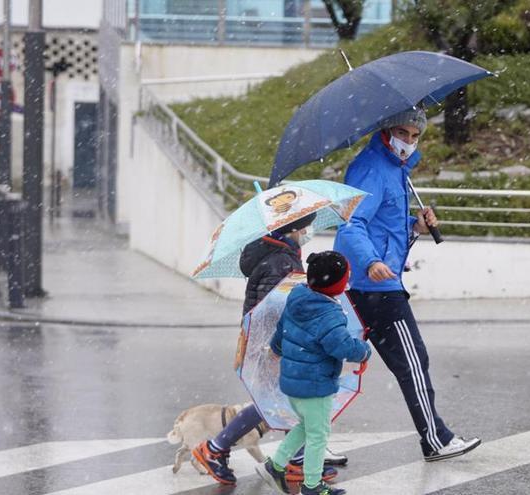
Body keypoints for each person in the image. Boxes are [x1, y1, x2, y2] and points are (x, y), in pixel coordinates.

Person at [333, 108, 481, 461]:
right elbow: (352, 226)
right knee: (413, 362)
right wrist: (371, 262)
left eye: (416, 136)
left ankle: (302, 449)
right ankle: (436, 439)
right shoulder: (373, 167)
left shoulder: (393, 169)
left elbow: (385, 231)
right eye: (403, 133)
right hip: (375, 288)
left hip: (368, 283)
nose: (409, 142)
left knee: (326, 367)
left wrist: (416, 228)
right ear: (386, 130)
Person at [192, 212, 346, 486]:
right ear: (296, 229)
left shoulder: (279, 253)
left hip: (271, 340)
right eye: (306, 226)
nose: (308, 231)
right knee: (284, 399)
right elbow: (273, 308)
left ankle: (219, 448)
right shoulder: (281, 261)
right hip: (272, 342)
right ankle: (221, 449)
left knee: (275, 399)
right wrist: (282, 344)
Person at [258, 250, 371, 495]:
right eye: (346, 277)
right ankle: (312, 485)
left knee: (305, 426)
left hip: (293, 382)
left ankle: (275, 465)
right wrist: (363, 352)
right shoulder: (328, 313)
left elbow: (281, 331)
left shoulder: (298, 296)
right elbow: (340, 346)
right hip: (315, 385)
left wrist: (276, 350)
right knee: (319, 434)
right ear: (337, 284)